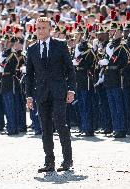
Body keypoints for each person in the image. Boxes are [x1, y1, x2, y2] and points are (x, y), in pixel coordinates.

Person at [26, 17, 76, 172]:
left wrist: (71, 89)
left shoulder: (60, 45)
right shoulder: (32, 48)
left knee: (61, 124)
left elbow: (70, 69)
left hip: (59, 92)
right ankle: (49, 162)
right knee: (45, 128)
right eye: (38, 28)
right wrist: (28, 96)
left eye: (43, 28)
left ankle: (67, 160)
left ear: (50, 29)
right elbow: (29, 74)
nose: (40, 31)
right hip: (41, 93)